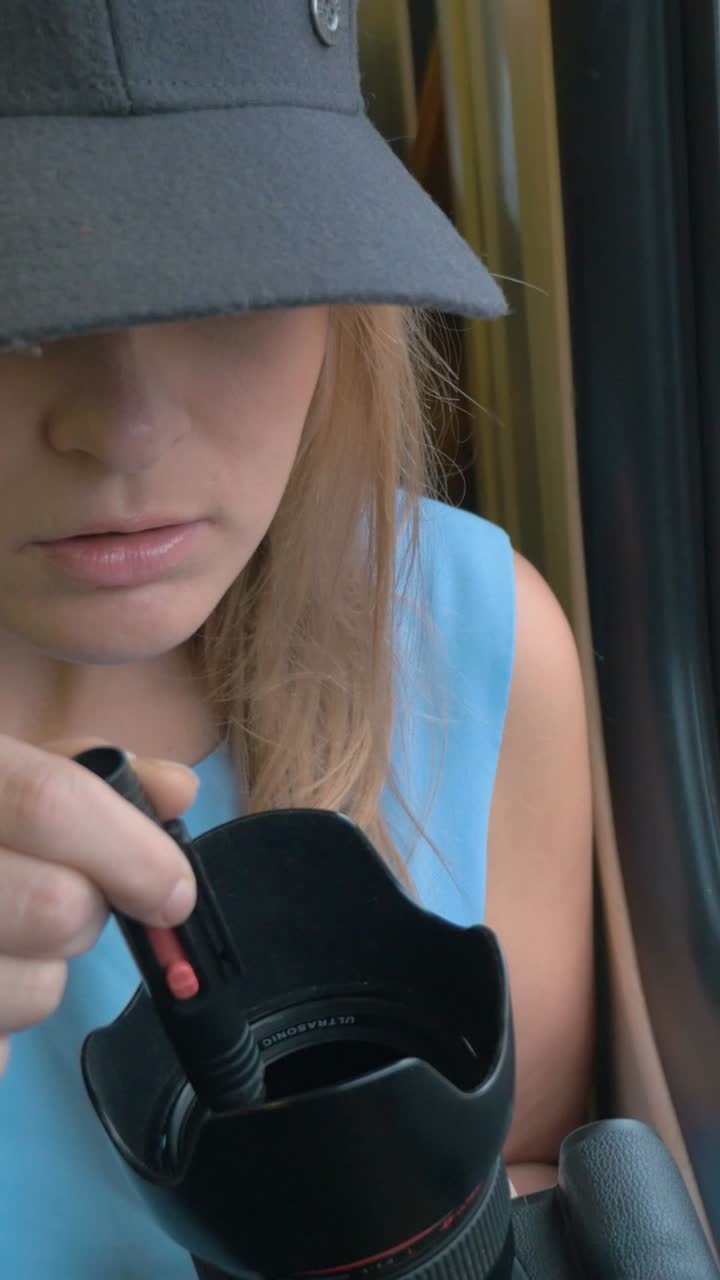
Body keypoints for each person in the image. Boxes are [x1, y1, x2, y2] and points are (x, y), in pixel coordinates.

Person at [0, 0, 593, 1275]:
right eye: (20, 303)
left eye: (233, 284)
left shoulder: (472, 644)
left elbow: (528, 1157)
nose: (126, 430)